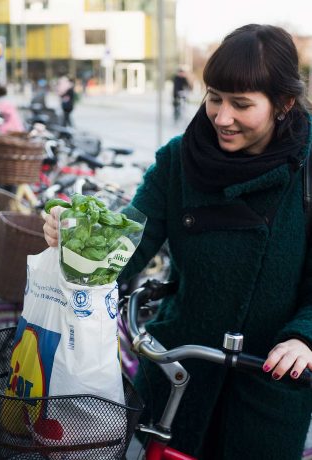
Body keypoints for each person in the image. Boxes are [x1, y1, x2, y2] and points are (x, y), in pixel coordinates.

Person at [43, 24, 312, 460]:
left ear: (282, 104)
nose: (222, 118)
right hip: (179, 377)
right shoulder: (178, 158)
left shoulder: (308, 168)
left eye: (241, 105)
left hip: (270, 386)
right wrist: (76, 236)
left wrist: (304, 339)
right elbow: (128, 242)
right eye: (214, 97)